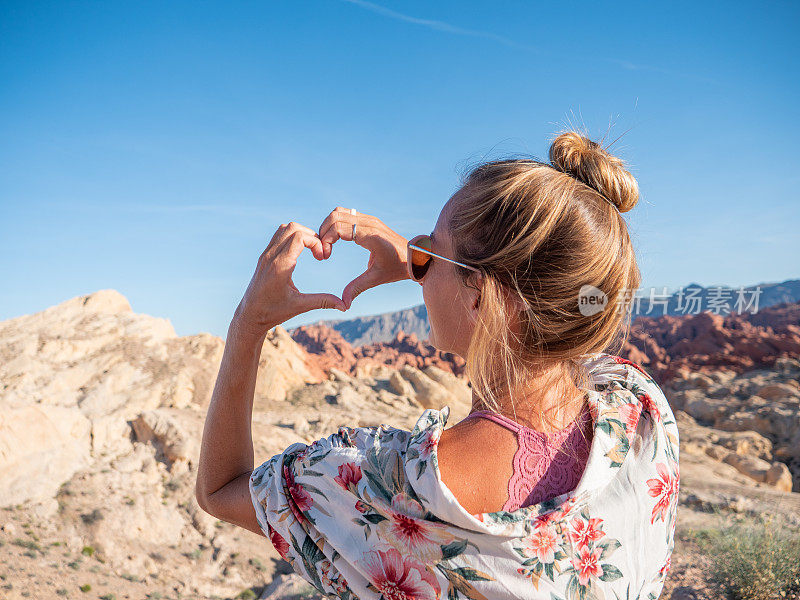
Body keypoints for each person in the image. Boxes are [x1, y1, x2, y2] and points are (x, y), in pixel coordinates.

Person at [195, 131, 680, 600]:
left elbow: (220, 490)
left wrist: (248, 322)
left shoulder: (392, 490)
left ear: (480, 297)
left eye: (432, 253)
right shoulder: (640, 408)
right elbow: (553, 303)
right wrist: (422, 260)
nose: (419, 265)